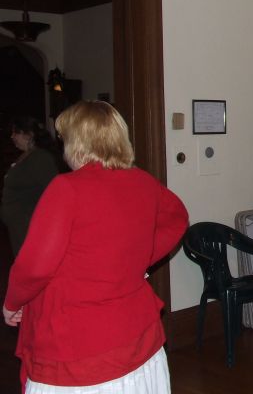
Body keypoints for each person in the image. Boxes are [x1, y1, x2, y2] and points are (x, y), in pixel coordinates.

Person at [2, 100, 188, 394]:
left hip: (79, 343)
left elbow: (34, 267)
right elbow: (177, 217)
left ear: (76, 142)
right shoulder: (142, 180)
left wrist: (12, 303)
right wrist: (135, 259)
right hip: (137, 335)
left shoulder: (66, 188)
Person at [1, 116, 62, 257]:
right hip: (19, 227)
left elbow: (54, 193)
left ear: (29, 135)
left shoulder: (40, 158)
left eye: (16, 132)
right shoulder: (26, 156)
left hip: (29, 227)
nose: (12, 136)